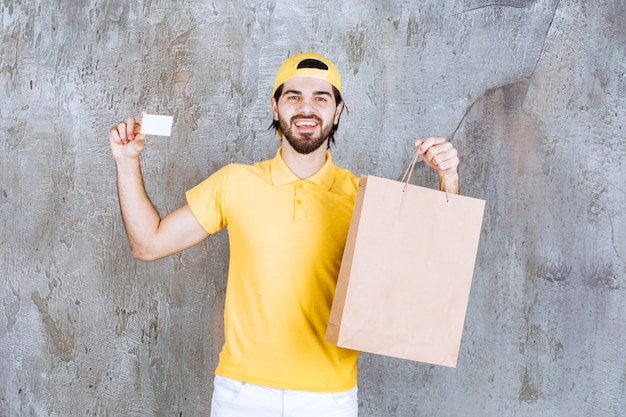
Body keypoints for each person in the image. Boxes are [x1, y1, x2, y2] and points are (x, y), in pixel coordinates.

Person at [109, 52, 459, 417]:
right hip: (241, 394)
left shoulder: (364, 197)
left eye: (321, 98)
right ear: (275, 107)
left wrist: (447, 179)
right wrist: (126, 161)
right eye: (293, 96)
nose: (306, 108)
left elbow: (432, 274)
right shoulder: (235, 182)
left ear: (338, 111)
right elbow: (148, 244)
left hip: (329, 398)